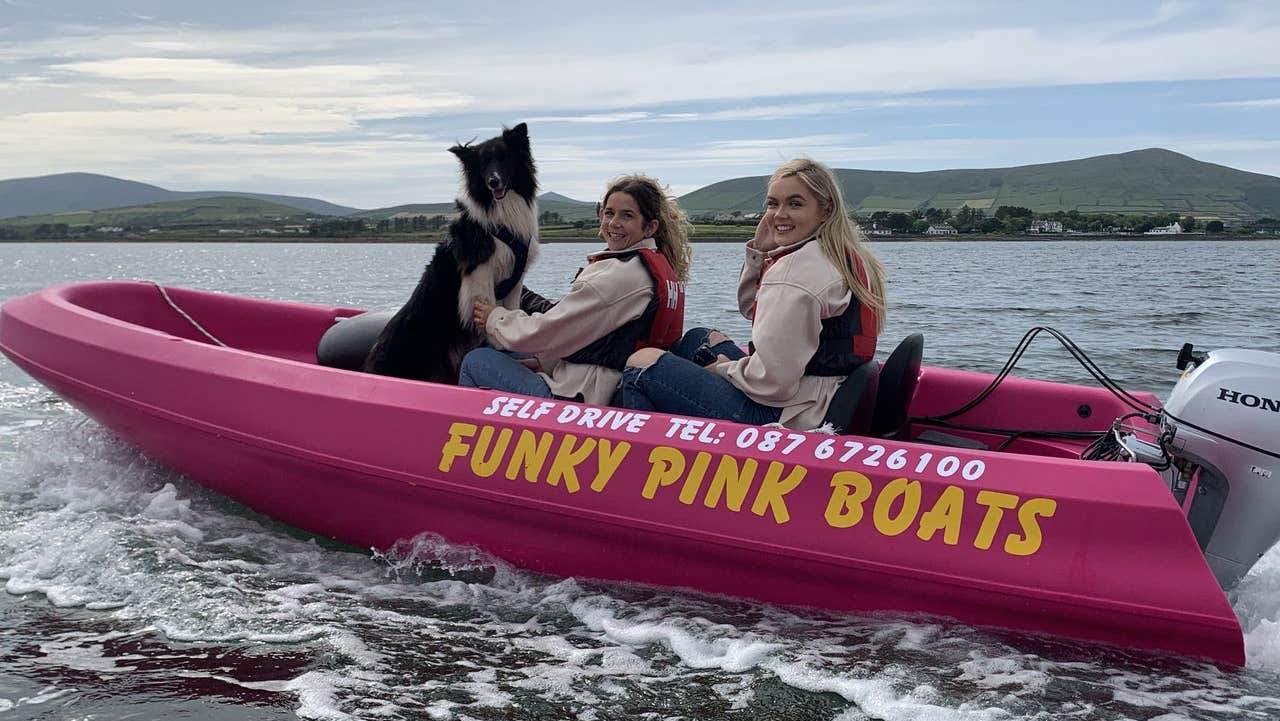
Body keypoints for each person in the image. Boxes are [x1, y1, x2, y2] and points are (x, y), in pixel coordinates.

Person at [617, 158, 887, 429]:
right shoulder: (840, 255)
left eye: (795, 204)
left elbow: (773, 383)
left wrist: (722, 369)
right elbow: (754, 310)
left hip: (786, 414)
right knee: (698, 338)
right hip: (821, 394)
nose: (779, 215)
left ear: (826, 209)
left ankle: (649, 456)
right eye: (773, 204)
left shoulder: (796, 273)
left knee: (642, 365)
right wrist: (759, 252)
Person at [459, 174, 693, 406]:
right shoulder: (654, 268)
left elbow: (546, 331)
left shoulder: (621, 275)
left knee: (477, 360)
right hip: (603, 384)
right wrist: (546, 362)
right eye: (609, 213)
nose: (613, 223)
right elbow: (590, 335)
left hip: (579, 399)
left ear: (650, 227)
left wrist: (494, 318)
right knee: (513, 354)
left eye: (627, 216)